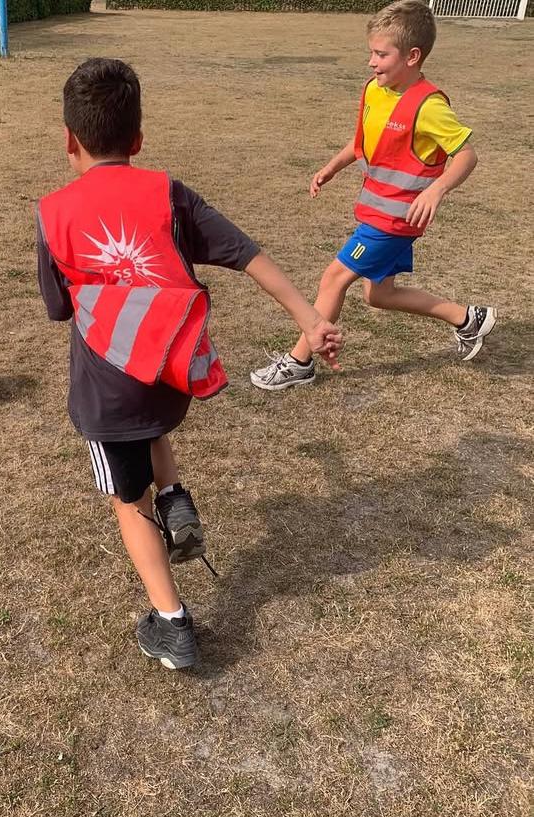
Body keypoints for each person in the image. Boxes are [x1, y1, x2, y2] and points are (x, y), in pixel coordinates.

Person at [36, 58, 343, 669]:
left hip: (108, 390)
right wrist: (309, 320)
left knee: (127, 503)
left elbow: (56, 306)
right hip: (171, 374)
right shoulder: (168, 193)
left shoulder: (52, 213)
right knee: (150, 429)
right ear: (139, 139)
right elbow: (246, 253)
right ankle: (173, 493)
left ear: (69, 140)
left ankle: (172, 623)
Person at [251, 0, 496, 392]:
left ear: (413, 56)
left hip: (395, 221)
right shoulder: (374, 90)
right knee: (378, 294)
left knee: (333, 278)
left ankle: (299, 361)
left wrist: (437, 189)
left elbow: (467, 154)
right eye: (371, 52)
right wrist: (331, 167)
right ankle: (467, 318)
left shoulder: (429, 105)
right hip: (376, 213)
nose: (371, 62)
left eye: (381, 54)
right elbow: (362, 142)